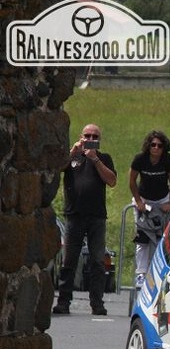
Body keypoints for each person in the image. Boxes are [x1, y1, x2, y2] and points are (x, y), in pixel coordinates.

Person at [52, 123, 117, 316]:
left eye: (94, 137)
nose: (90, 140)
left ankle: (97, 303)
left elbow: (112, 180)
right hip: (74, 215)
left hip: (96, 216)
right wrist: (73, 152)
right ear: (81, 137)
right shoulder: (74, 156)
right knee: (69, 261)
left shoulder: (103, 158)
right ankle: (64, 301)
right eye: (87, 136)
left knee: (97, 261)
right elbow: (57, 168)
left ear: (99, 140)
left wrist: (95, 160)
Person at [129, 130, 170, 287]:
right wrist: (138, 201)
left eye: (159, 145)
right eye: (153, 145)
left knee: (159, 237)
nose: (156, 148)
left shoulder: (168, 160)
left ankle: (156, 272)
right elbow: (132, 181)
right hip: (144, 198)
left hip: (162, 199)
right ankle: (141, 273)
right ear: (148, 146)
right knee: (142, 238)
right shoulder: (140, 159)